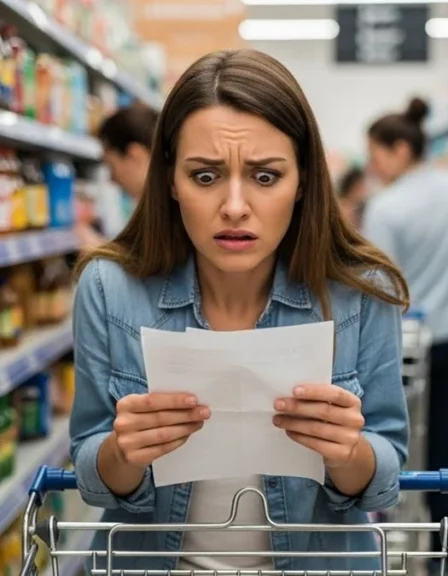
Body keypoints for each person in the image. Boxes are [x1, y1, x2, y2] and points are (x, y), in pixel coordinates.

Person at [69, 49, 410, 573]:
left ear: (302, 182)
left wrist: (348, 453)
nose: (233, 206)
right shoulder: (110, 290)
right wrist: (121, 452)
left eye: (266, 177)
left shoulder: (361, 293)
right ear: (170, 181)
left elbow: (385, 469)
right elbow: (92, 473)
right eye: (205, 177)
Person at [360, 97, 448, 573]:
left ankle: (404, 537)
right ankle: (447, 551)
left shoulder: (385, 208)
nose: (373, 165)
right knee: (443, 443)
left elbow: (377, 286)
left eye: (377, 154)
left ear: (401, 150)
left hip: (404, 348)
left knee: (399, 448)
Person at [76, 103, 160, 249]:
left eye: (111, 166)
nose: (111, 179)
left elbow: (152, 268)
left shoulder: (166, 213)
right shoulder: (155, 207)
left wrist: (98, 251)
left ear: (135, 156)